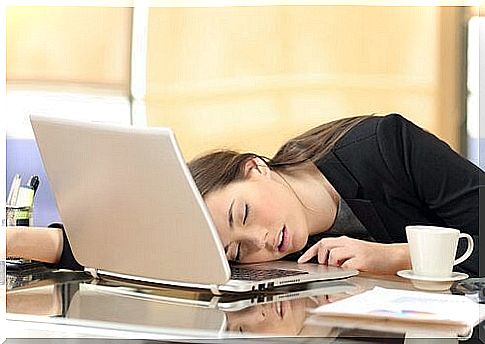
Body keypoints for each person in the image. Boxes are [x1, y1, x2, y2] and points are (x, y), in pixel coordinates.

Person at [6, 113, 481, 276]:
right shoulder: (263, 251)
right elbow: (139, 245)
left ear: (255, 168)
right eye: (236, 250)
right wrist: (17, 242)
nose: (258, 242)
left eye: (243, 214)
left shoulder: (386, 145)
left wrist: (393, 257)